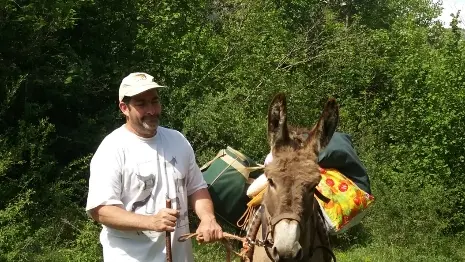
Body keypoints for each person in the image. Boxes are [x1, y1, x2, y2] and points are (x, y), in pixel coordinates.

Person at [85, 72, 223, 262]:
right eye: (141, 104)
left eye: (154, 101)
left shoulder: (178, 141)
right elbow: (100, 210)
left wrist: (208, 218)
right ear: (124, 108)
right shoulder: (112, 149)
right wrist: (151, 222)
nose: (151, 110)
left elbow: (197, 188)